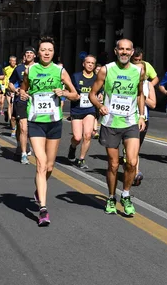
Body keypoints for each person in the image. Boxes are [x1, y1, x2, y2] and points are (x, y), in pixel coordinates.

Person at [19, 37, 78, 226]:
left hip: (54, 122)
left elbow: (75, 94)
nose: (46, 53)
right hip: (35, 121)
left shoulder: (60, 70)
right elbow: (24, 88)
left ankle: (39, 189)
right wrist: (22, 93)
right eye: (43, 50)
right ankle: (43, 209)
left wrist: (65, 94)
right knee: (41, 164)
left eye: (49, 50)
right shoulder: (30, 70)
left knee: (50, 167)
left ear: (53, 53)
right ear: (37, 52)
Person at [89, 39, 146, 216]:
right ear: (116, 51)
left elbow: (140, 94)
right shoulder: (106, 70)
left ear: (131, 52)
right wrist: (100, 107)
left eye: (127, 49)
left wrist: (142, 115)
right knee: (113, 165)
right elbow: (92, 94)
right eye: (121, 49)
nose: (124, 52)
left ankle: (126, 195)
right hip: (110, 123)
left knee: (132, 162)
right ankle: (112, 197)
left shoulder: (139, 71)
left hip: (130, 121)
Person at [67, 54, 99, 169]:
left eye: (92, 63)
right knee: (77, 137)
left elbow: (100, 92)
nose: (90, 65)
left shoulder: (97, 78)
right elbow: (69, 91)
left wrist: (99, 97)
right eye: (88, 63)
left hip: (90, 109)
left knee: (87, 135)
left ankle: (81, 159)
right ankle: (72, 147)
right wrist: (73, 96)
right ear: (83, 64)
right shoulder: (76, 77)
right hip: (76, 109)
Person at [129, 58, 157, 186]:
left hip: (142, 119)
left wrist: (142, 97)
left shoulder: (148, 85)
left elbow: (153, 104)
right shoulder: (127, 81)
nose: (139, 71)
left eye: (142, 70)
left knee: (135, 148)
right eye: (137, 69)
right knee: (129, 149)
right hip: (127, 118)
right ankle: (134, 171)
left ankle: (133, 171)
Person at [9, 47, 36, 163]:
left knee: (32, 128)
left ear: (35, 55)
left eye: (31, 53)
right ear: (25, 55)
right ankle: (23, 153)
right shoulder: (18, 68)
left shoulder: (39, 68)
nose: (29, 54)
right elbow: (10, 83)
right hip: (21, 100)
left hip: (35, 101)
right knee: (23, 127)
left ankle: (24, 145)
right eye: (27, 53)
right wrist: (16, 91)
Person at [2, 55, 17, 122]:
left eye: (14, 61)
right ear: (9, 61)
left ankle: (7, 113)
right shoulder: (6, 69)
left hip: (15, 88)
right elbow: (4, 77)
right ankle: (11, 120)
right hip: (8, 88)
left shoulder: (17, 68)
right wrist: (4, 86)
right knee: (10, 104)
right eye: (12, 61)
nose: (13, 62)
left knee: (14, 105)